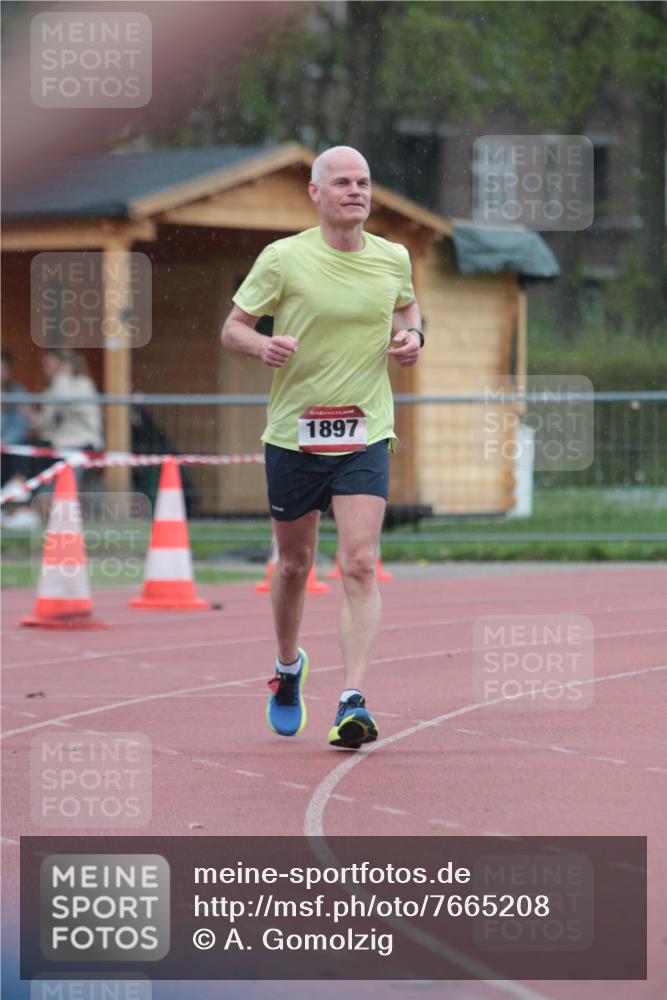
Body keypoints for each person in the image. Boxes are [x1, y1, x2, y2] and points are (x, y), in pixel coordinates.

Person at [221, 145, 423, 750]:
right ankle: (288, 669)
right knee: (294, 564)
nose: (355, 191)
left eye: (363, 181)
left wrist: (412, 335)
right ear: (316, 192)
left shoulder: (393, 257)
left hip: (365, 431)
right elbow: (233, 327)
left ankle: (352, 700)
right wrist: (262, 347)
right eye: (341, 182)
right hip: (295, 435)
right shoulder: (283, 258)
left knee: (359, 562)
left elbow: (408, 307)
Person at [1, 350, 31, 486]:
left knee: (23, 449)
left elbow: (21, 424)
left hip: (11, 446)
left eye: (3, 368)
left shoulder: (17, 391)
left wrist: (4, 441)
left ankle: (16, 488)